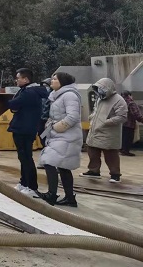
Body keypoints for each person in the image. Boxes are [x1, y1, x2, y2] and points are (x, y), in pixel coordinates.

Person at [37, 72, 82, 207]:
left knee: (49, 161)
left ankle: (52, 194)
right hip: (58, 135)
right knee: (63, 166)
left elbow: (73, 116)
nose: (52, 80)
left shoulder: (69, 95)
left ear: (62, 81)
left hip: (68, 136)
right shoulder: (56, 95)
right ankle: (69, 198)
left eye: (55, 79)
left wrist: (57, 127)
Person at [7, 68, 49, 196]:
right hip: (23, 127)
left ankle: (32, 187)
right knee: (23, 157)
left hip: (25, 128)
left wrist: (9, 103)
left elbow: (13, 104)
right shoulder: (27, 90)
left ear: (26, 79)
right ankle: (24, 183)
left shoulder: (29, 92)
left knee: (26, 158)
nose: (16, 80)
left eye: (18, 77)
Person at [81, 78, 127, 182]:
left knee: (111, 154)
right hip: (95, 130)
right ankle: (94, 171)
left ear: (108, 88)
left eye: (101, 88)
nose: (99, 91)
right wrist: (92, 117)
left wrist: (106, 122)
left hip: (109, 133)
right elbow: (96, 111)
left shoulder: (118, 100)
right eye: (97, 89)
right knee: (92, 151)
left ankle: (115, 175)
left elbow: (122, 117)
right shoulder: (100, 99)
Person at [120, 91, 143, 156]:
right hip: (129, 124)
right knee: (128, 137)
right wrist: (141, 120)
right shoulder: (131, 103)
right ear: (129, 95)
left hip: (121, 123)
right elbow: (136, 114)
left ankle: (122, 150)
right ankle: (126, 151)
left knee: (123, 137)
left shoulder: (121, 103)